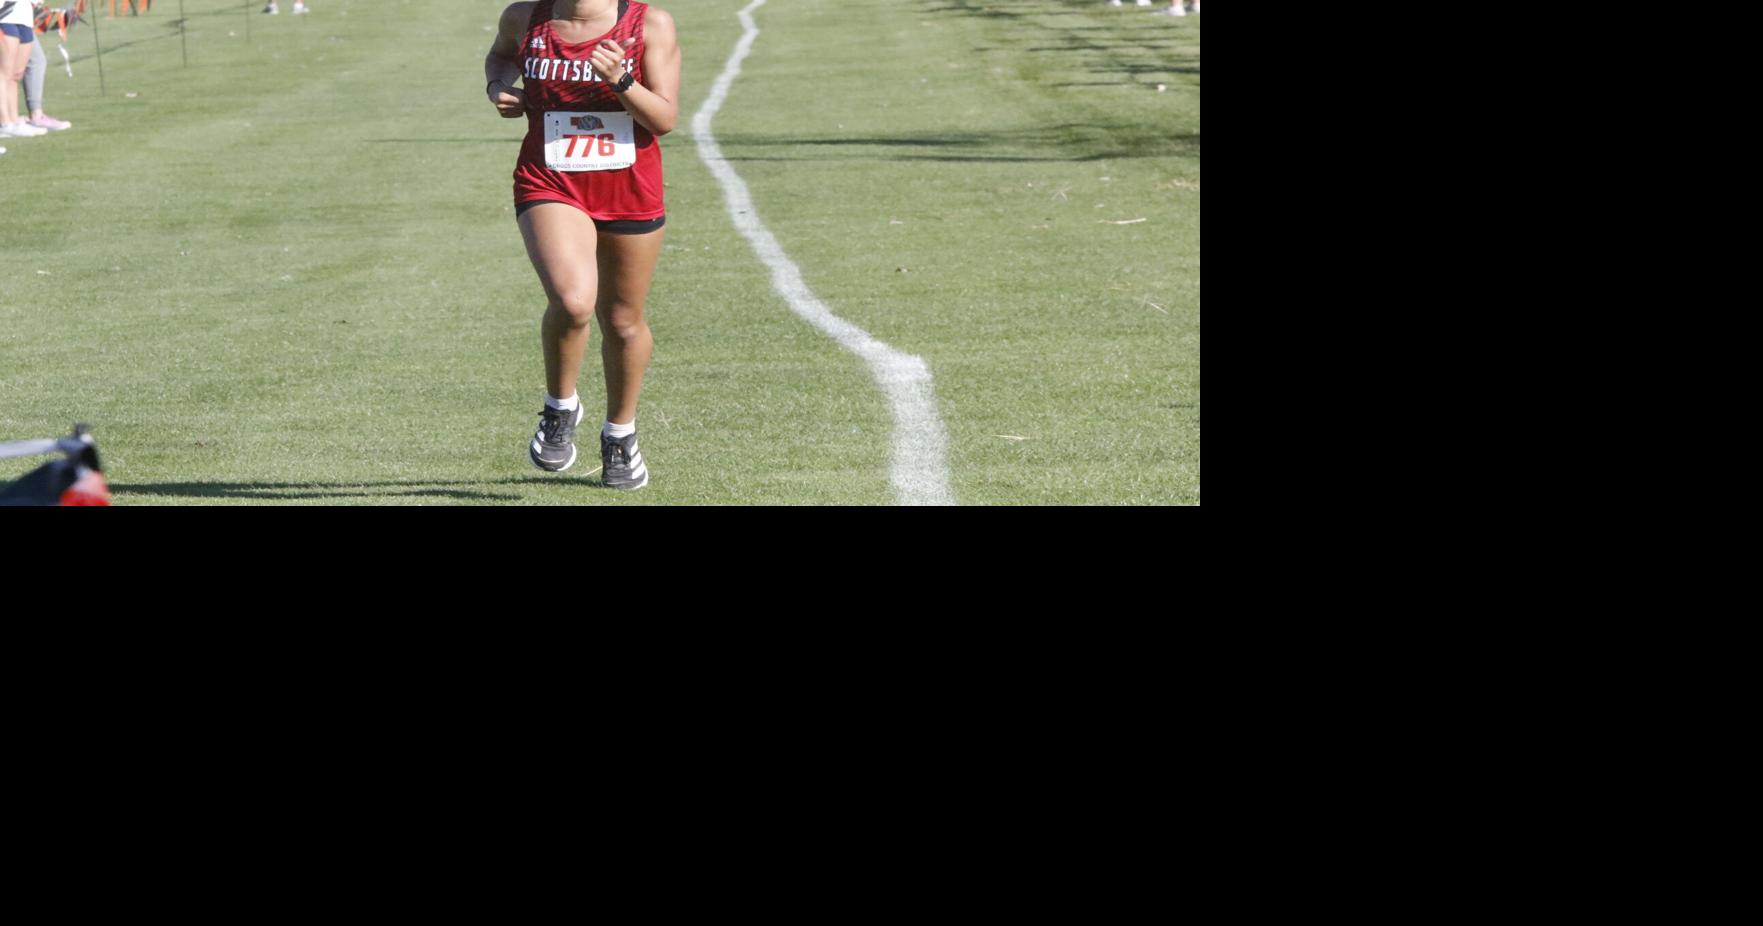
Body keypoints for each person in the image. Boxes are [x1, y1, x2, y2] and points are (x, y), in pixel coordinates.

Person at [484, 0, 680, 490]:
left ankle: (620, 435)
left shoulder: (649, 23)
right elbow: (500, 56)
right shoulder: (524, 16)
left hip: (628, 187)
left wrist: (622, 80)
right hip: (550, 180)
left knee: (622, 320)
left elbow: (664, 119)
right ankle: (559, 407)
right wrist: (497, 88)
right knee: (572, 301)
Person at [1, 0, 48, 139]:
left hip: (24, 17)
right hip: (5, 15)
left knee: (16, 74)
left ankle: (14, 121)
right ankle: (5, 123)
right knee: (4, 73)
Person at [21, 2, 71, 131]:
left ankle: (11, 119)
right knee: (31, 62)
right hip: (10, 15)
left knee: (31, 62)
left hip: (17, 14)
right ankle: (31, 116)